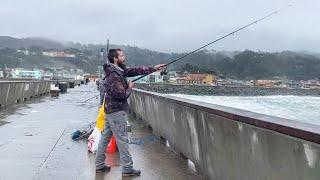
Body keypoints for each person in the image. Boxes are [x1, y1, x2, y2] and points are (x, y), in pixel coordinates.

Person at [95, 48, 165, 177]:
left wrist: (154, 68)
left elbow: (133, 71)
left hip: (110, 110)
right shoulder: (114, 75)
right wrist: (130, 88)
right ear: (115, 59)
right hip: (116, 111)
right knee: (122, 139)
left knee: (105, 137)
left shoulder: (116, 71)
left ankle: (99, 165)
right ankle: (127, 168)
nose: (124, 57)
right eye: (122, 56)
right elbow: (121, 95)